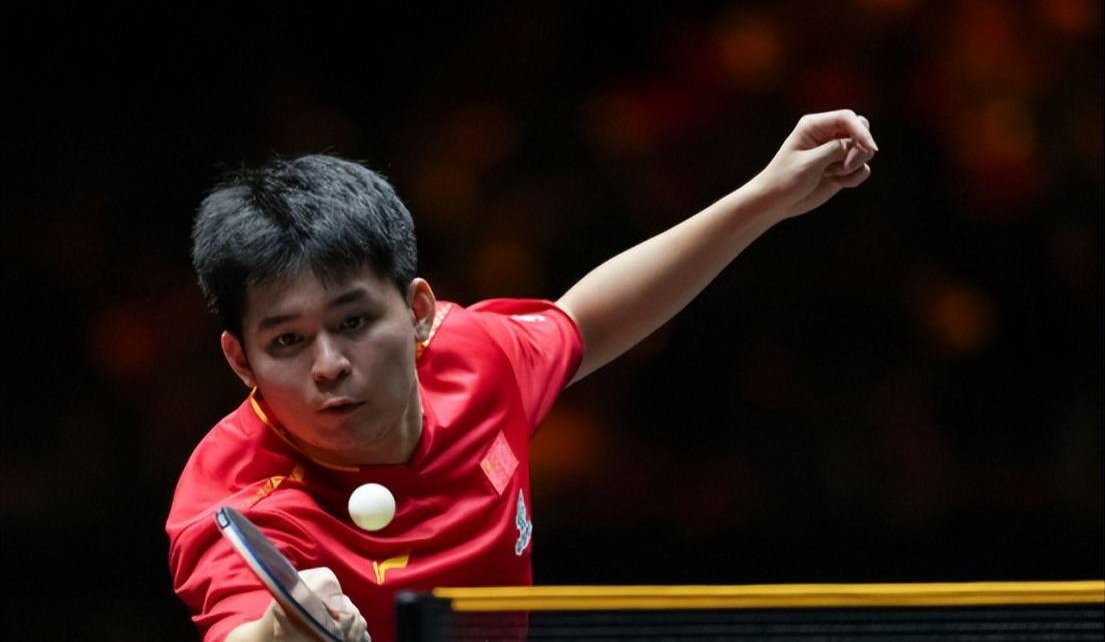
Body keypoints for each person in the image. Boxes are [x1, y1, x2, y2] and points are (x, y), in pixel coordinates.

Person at [166, 110, 878, 642]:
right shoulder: (232, 501)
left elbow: (586, 320)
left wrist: (767, 196)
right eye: (288, 340)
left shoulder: (474, 361)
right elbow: (238, 625)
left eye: (353, 321)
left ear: (418, 312)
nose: (329, 364)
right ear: (242, 360)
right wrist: (278, 630)